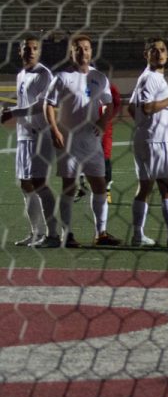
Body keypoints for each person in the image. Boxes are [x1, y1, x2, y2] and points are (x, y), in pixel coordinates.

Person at [43, 33, 122, 247]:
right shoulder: (61, 77)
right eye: (78, 48)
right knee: (69, 186)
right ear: (71, 52)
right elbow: (48, 104)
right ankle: (66, 235)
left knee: (100, 185)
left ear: (91, 51)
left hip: (92, 141)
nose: (83, 52)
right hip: (69, 141)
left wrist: (104, 122)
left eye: (86, 48)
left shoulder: (99, 77)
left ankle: (101, 234)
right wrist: (55, 131)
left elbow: (109, 104)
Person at [1, 36, 59, 248]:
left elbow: (40, 105)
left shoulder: (44, 74)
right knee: (26, 185)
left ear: (39, 51)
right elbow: (24, 103)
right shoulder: (21, 75)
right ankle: (36, 232)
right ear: (20, 51)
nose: (31, 52)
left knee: (40, 183)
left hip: (40, 135)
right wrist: (11, 114)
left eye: (35, 48)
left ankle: (53, 234)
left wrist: (13, 112)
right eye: (27, 48)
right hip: (24, 135)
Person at [128, 38, 168, 247]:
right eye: (154, 51)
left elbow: (131, 108)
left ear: (167, 54)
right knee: (166, 187)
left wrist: (143, 125)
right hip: (157, 140)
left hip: (144, 137)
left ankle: (137, 235)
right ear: (146, 55)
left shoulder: (145, 77)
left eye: (163, 50)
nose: (160, 54)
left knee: (144, 187)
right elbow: (144, 107)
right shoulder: (151, 78)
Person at [78, 82, 121, 203]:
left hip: (104, 127)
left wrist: (107, 118)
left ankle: (107, 190)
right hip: (84, 127)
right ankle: (81, 186)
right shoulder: (78, 83)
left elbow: (116, 103)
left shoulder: (107, 85)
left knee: (105, 155)